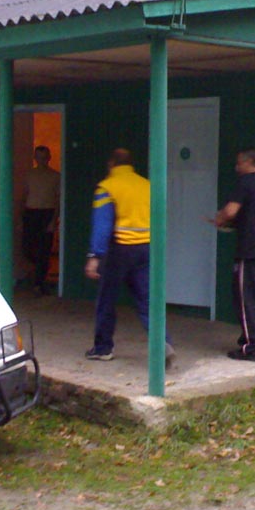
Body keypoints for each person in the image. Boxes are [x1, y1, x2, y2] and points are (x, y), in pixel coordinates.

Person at [84, 148, 174, 366]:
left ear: (111, 164)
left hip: (119, 249)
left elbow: (103, 225)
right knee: (147, 300)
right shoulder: (147, 185)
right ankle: (163, 343)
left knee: (107, 300)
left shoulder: (107, 187)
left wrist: (95, 256)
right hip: (146, 248)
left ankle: (103, 348)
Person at [211, 148, 255, 362]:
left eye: (239, 163)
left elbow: (231, 211)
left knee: (244, 296)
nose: (236, 167)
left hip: (250, 247)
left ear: (249, 162)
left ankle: (249, 348)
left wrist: (220, 218)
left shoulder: (246, 183)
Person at [22, 145, 61, 294]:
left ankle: (39, 282)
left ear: (49, 158)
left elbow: (58, 200)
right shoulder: (29, 175)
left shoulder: (55, 176)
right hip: (31, 213)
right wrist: (20, 217)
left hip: (47, 213)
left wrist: (54, 220)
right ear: (35, 158)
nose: (41, 160)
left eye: (44, 157)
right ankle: (36, 273)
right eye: (39, 157)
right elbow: (24, 195)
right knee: (28, 248)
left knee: (44, 249)